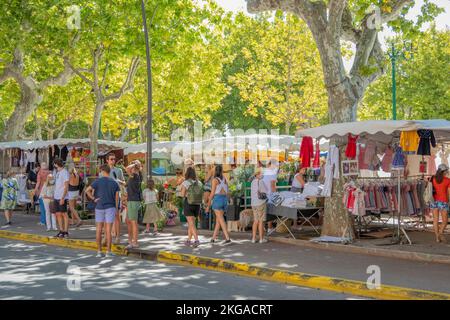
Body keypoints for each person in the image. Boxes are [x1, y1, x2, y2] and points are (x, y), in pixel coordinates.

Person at [85, 164, 120, 258]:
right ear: (109, 171)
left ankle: (99, 251)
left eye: (100, 171)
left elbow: (87, 190)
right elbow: (117, 198)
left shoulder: (97, 181)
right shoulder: (114, 182)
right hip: (110, 207)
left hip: (99, 207)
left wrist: (93, 198)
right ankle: (108, 251)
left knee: (99, 230)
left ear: (102, 171)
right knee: (108, 230)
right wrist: (116, 209)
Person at [207, 165, 231, 244]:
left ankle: (227, 238)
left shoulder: (215, 180)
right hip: (224, 200)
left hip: (217, 199)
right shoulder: (224, 179)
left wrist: (208, 205)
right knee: (218, 221)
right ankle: (213, 238)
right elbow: (228, 191)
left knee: (221, 220)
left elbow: (212, 193)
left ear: (215, 171)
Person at [181, 167, 203, 247]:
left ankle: (196, 240)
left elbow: (182, 194)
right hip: (197, 204)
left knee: (191, 223)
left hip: (189, 203)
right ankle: (188, 240)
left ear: (187, 173)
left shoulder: (186, 182)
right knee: (191, 223)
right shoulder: (199, 182)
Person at [107, 153, 125, 244]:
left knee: (117, 216)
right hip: (106, 196)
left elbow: (124, 183)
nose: (113, 161)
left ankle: (118, 237)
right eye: (111, 159)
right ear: (107, 160)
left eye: (114, 159)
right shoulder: (103, 170)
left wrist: (118, 180)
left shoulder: (119, 170)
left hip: (116, 195)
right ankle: (107, 236)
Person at [125, 160, 143, 249]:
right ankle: (131, 241)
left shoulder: (135, 175)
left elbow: (127, 168)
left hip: (133, 201)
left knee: (133, 222)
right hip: (131, 200)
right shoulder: (135, 176)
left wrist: (135, 164)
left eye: (132, 167)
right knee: (129, 221)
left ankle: (134, 242)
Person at [430, 164, 450, 243]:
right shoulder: (447, 180)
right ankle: (440, 234)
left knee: (435, 220)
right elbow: (448, 193)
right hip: (443, 201)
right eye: (446, 171)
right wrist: (448, 201)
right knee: (445, 221)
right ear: (444, 171)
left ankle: (437, 238)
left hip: (434, 201)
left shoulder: (432, 179)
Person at [53, 158, 70, 238]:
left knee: (64, 214)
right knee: (58, 214)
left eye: (54, 164)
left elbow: (66, 186)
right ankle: (61, 230)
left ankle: (66, 231)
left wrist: (63, 197)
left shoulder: (65, 172)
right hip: (56, 196)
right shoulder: (57, 172)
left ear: (56, 164)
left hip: (62, 196)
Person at [251, 168, 268, 243]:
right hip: (260, 203)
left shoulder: (252, 182)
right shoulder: (260, 181)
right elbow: (266, 191)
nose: (262, 175)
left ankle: (253, 238)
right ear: (257, 174)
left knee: (255, 221)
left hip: (253, 203)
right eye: (261, 173)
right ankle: (261, 239)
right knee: (261, 221)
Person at [263, 160, 279, 234]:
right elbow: (273, 186)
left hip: (263, 194)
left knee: (263, 211)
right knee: (270, 211)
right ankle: (269, 228)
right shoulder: (273, 173)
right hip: (270, 195)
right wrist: (276, 194)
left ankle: (262, 227)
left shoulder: (264, 172)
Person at [34, 162, 50, 228]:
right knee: (48, 207)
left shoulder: (40, 173)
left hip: (42, 191)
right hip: (48, 191)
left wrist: (35, 190)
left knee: (42, 207)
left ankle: (43, 221)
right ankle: (48, 221)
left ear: (41, 166)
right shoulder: (49, 172)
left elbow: (38, 182)